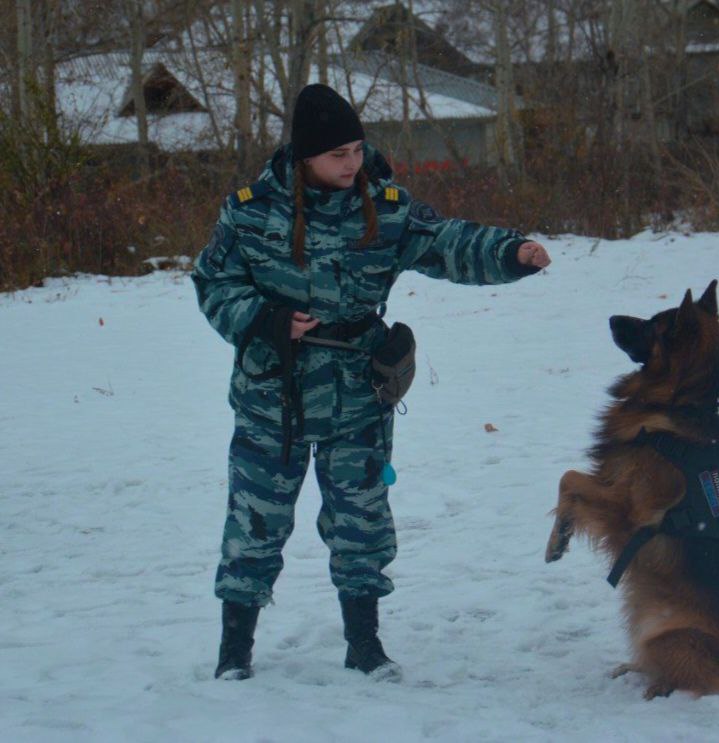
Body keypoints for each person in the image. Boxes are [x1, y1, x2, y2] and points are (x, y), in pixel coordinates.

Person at [192, 83, 550, 682]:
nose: (352, 163)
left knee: (361, 523)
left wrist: (514, 254)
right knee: (255, 523)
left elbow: (448, 242)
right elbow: (213, 282)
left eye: (357, 149)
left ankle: (365, 645)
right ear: (305, 156)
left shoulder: (383, 207)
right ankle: (235, 653)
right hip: (271, 396)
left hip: (358, 393)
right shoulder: (252, 210)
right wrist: (265, 319)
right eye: (338, 155)